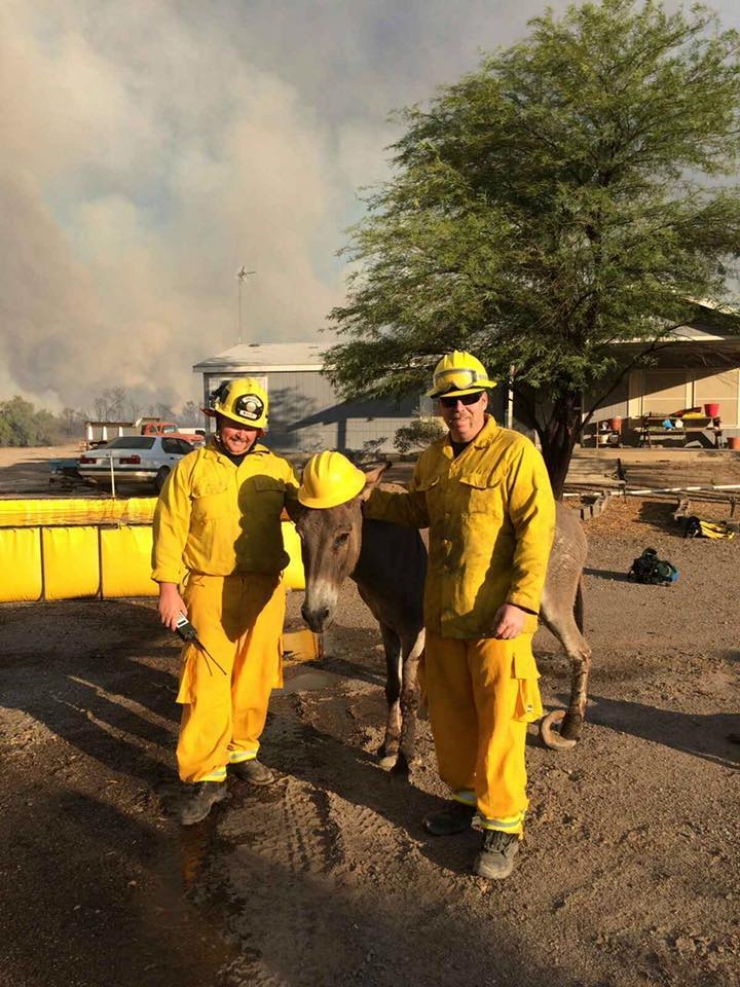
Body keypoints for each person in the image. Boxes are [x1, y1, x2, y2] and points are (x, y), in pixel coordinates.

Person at [364, 351, 556, 879]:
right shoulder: (432, 460)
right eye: (449, 402)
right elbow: (414, 511)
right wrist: (364, 498)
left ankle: (502, 824)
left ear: (485, 399)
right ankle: (466, 798)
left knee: (500, 723)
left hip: (498, 618)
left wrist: (520, 601)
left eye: (468, 398)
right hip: (444, 616)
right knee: (450, 716)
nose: (459, 409)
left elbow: (537, 532)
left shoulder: (515, 455)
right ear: (440, 407)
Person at [152, 378, 299, 826]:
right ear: (218, 419)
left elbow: (311, 511)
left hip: (265, 589)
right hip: (208, 588)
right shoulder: (191, 468)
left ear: (261, 431)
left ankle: (242, 751)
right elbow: (170, 528)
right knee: (208, 682)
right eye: (234, 422)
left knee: (255, 676)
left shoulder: (278, 471)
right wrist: (168, 588)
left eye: (250, 426)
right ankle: (206, 775)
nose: (241, 432)